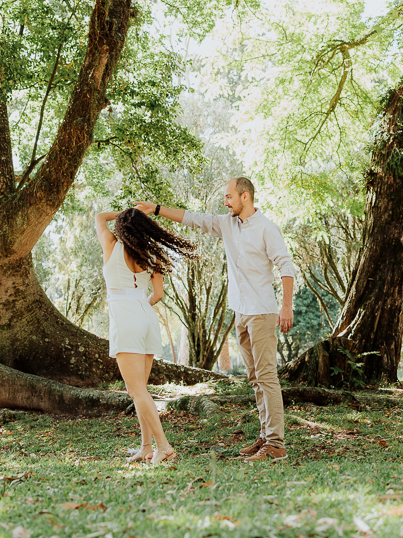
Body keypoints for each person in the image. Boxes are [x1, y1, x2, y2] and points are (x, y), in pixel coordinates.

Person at [136, 177, 296, 462]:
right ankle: (265, 436)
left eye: (229, 197)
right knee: (256, 379)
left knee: (267, 377)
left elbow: (286, 266)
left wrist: (286, 307)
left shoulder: (267, 228)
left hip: (262, 311)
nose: (225, 202)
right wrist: (158, 209)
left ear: (245, 197)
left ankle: (276, 444)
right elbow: (194, 219)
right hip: (242, 312)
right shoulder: (227, 224)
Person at [95, 207, 197, 465]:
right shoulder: (153, 255)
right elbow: (158, 295)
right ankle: (146, 447)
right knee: (140, 390)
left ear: (122, 228)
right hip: (146, 316)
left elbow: (98, 217)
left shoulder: (110, 243)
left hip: (126, 318)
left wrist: (124, 212)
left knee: (136, 390)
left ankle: (165, 448)